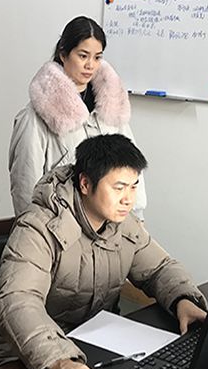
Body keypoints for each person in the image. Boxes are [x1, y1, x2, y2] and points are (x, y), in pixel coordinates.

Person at [0, 134, 207, 369]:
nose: (128, 199)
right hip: (19, 347)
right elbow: (17, 300)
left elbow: (158, 268)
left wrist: (183, 299)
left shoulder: (123, 223)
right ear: (85, 184)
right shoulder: (38, 226)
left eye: (133, 186)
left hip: (85, 339)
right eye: (119, 187)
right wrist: (58, 360)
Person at [9, 15, 147, 219]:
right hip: (58, 227)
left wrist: (136, 220)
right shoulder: (35, 116)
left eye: (97, 57)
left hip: (108, 225)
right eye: (83, 56)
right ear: (63, 54)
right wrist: (35, 230)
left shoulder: (111, 108)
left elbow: (132, 170)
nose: (90, 65)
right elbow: (25, 185)